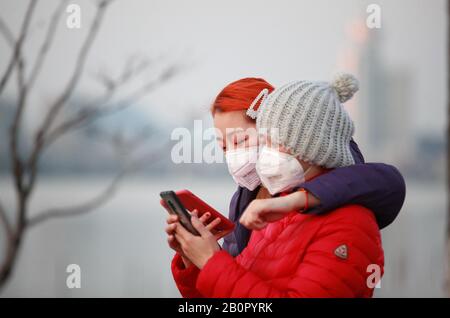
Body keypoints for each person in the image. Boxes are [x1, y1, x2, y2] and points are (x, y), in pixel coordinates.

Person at [167, 74, 386, 297]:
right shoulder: (272, 211)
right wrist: (194, 257)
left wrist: (212, 261)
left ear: (311, 145)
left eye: (275, 142)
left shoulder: (349, 223)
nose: (267, 153)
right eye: (224, 147)